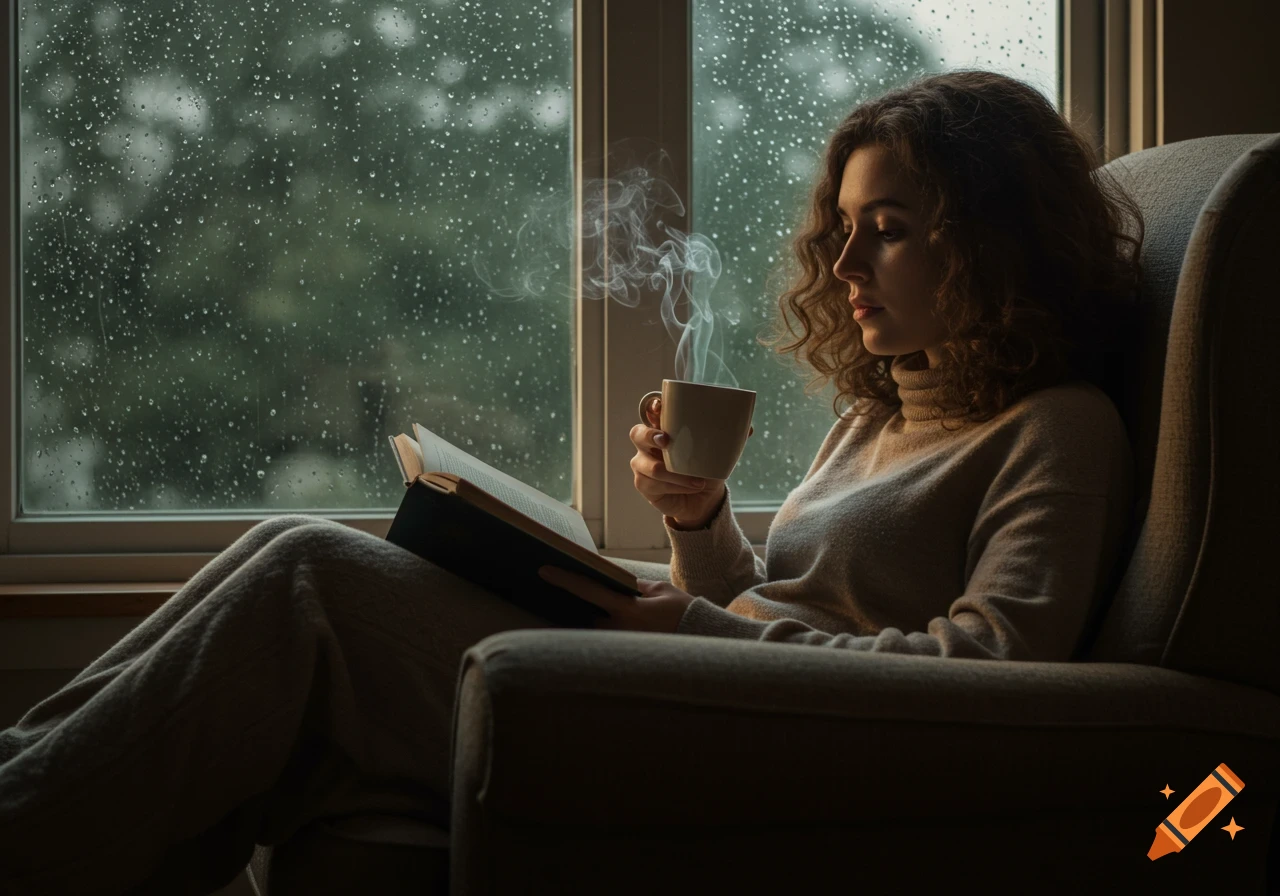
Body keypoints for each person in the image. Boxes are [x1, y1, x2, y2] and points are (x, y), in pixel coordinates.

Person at [0, 68, 1141, 895]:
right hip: (703, 684)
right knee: (299, 616)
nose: (840, 267)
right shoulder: (878, 410)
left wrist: (693, 629)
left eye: (883, 231)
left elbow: (993, 677)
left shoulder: (1057, 429)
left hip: (755, 743)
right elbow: (782, 599)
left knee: (308, 572)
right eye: (839, 230)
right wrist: (698, 528)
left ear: (994, 242)